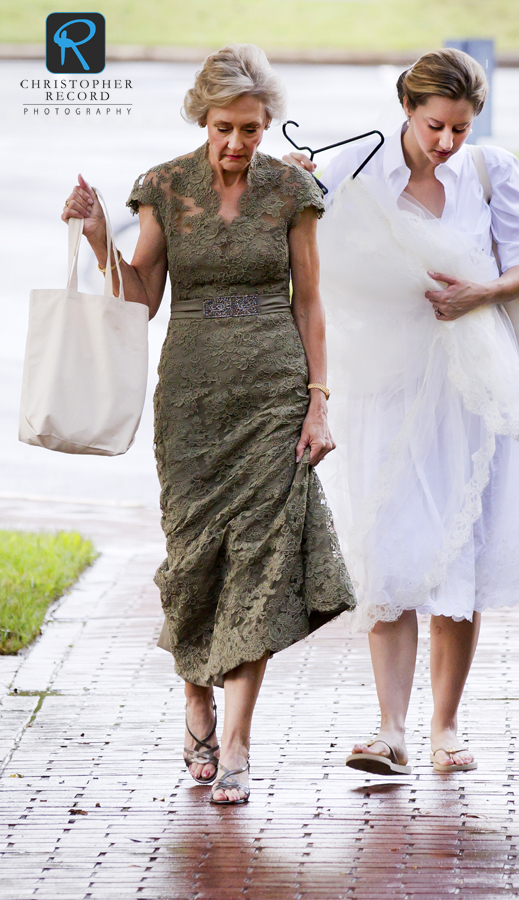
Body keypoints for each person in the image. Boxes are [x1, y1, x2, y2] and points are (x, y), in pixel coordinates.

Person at [62, 44, 355, 804]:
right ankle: (195, 691)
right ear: (203, 117)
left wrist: (318, 398)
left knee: (257, 560)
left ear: (268, 125)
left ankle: (235, 743)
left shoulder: (293, 189)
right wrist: (100, 241)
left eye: (252, 130)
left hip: (272, 394)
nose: (236, 144)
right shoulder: (164, 187)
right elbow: (141, 298)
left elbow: (310, 302)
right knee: (194, 558)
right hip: (190, 396)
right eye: (225, 127)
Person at [284, 48, 519, 775]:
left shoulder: (489, 171)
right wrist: (296, 178)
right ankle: (389, 729)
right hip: (386, 384)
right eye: (436, 125)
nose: (446, 142)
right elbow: (305, 240)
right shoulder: (357, 170)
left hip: (468, 386)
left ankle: (445, 729)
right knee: (390, 547)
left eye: (460, 129)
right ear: (407, 109)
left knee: (457, 555)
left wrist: (481, 293)